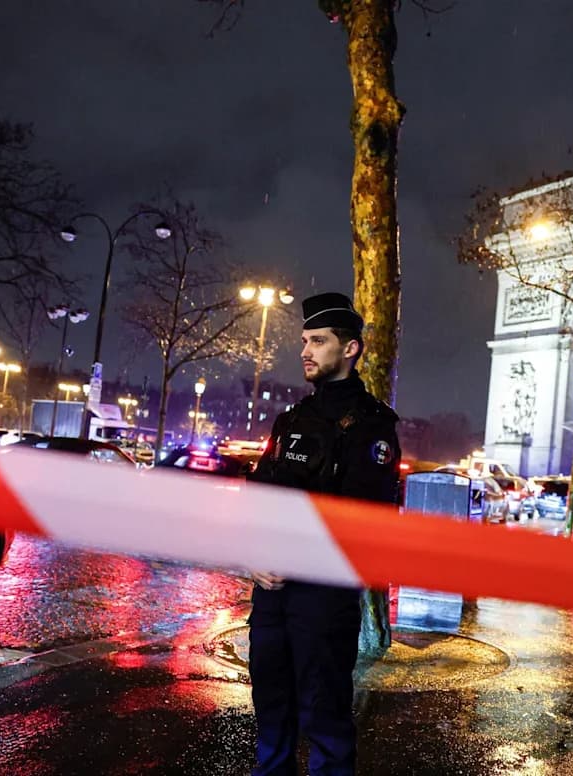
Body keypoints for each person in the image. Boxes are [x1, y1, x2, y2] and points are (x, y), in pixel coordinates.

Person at [245, 291, 401, 776]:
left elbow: (365, 520)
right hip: (271, 594)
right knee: (271, 712)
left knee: (326, 721)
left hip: (324, 598)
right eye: (304, 340)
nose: (304, 351)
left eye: (318, 341)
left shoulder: (373, 427)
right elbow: (259, 498)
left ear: (349, 349)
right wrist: (252, 554)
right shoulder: (290, 420)